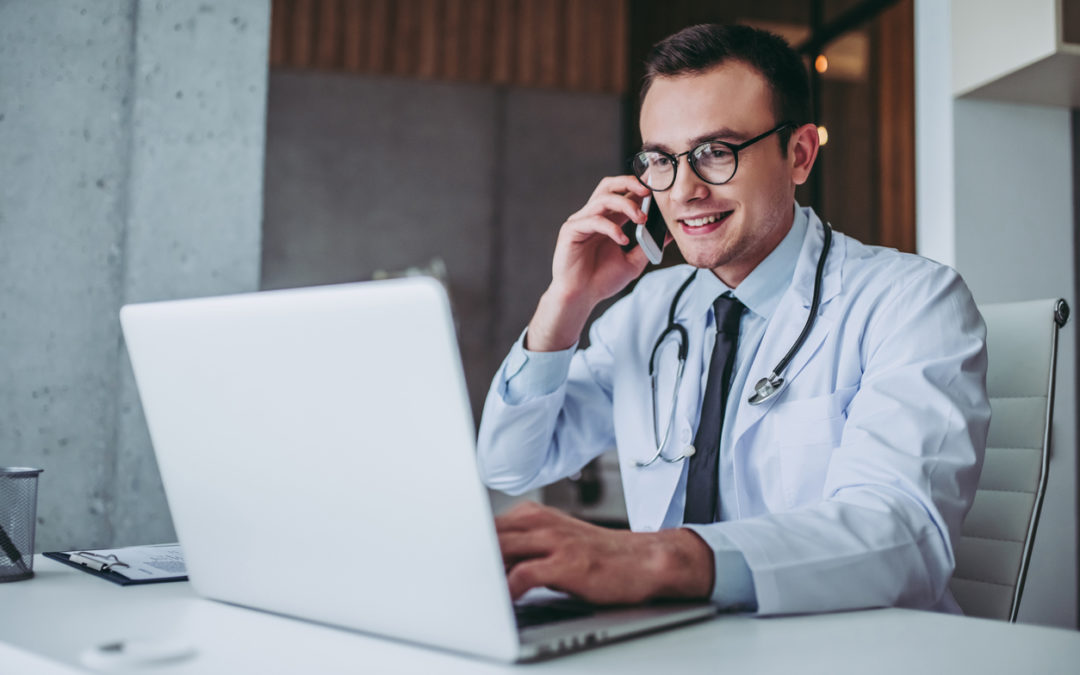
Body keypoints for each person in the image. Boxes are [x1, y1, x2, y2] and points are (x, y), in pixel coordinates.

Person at [476, 24, 990, 615]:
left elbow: (902, 539)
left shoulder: (912, 302)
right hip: (674, 647)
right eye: (661, 160)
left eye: (715, 153)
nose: (685, 190)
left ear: (798, 155)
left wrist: (660, 560)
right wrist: (565, 303)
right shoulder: (648, 309)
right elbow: (511, 464)